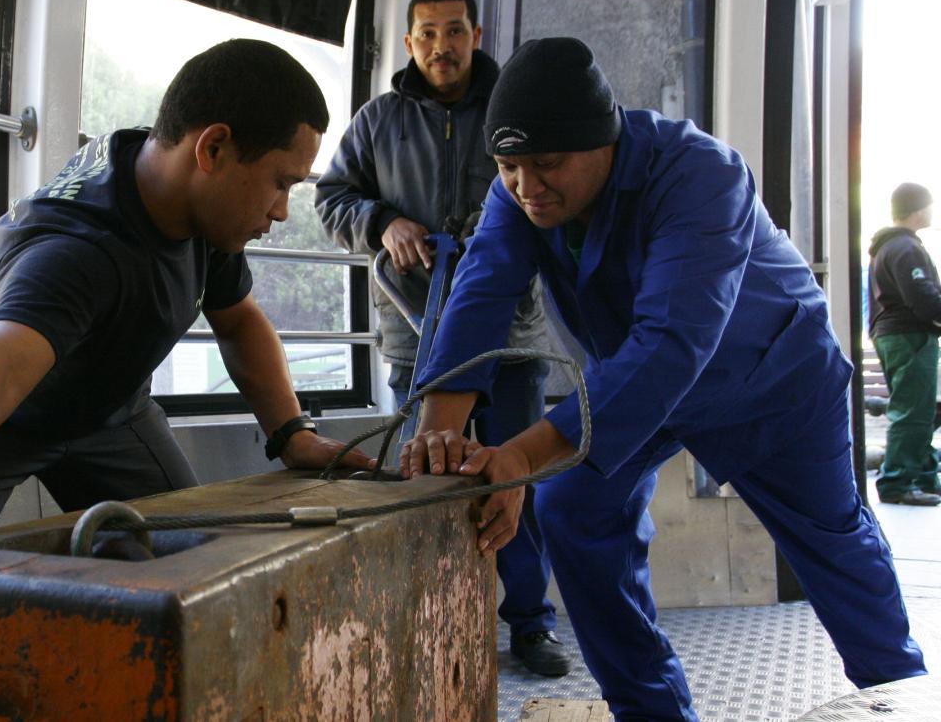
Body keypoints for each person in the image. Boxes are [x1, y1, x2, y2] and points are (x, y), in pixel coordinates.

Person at [0, 39, 375, 668]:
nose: (281, 210)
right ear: (212, 148)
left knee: (189, 565)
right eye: (279, 184)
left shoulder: (197, 199)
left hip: (109, 410)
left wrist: (291, 433)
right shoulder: (75, 250)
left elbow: (238, 320)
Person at [403, 37, 928, 720]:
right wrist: (436, 432)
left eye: (547, 164)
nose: (527, 187)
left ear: (605, 140)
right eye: (507, 168)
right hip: (639, 379)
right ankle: (651, 711)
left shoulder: (702, 175)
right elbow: (480, 289)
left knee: (834, 546)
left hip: (775, 378)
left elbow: (673, 341)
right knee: (573, 509)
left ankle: (905, 693)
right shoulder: (522, 191)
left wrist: (521, 456)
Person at [315, 0, 570, 677]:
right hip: (415, 334)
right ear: (408, 43)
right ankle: (423, 611)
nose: (441, 46)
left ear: (476, 35)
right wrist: (380, 223)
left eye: (454, 31)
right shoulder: (376, 122)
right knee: (423, 475)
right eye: (426, 34)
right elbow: (330, 196)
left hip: (510, 337)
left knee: (519, 477)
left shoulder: (509, 108)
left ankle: (529, 622)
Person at [868, 182, 941, 505]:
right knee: (913, 411)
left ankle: (924, 476)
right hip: (909, 335)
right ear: (919, 209)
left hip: (895, 334)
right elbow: (922, 297)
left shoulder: (888, 247)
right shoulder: (904, 248)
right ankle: (897, 483)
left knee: (921, 409)